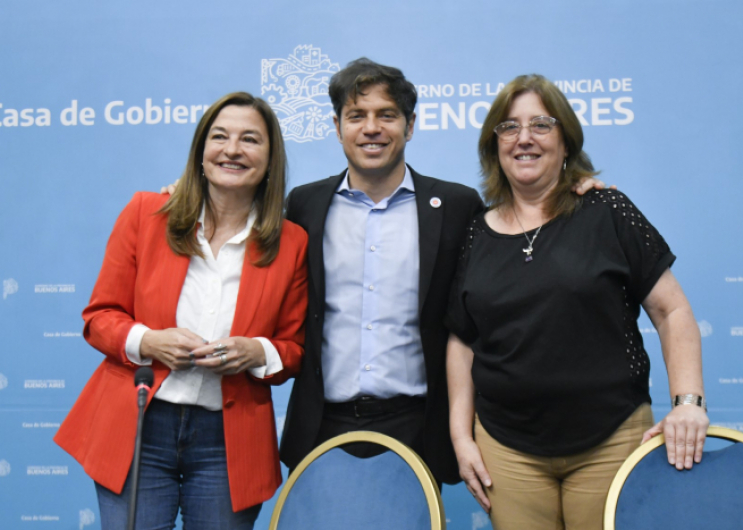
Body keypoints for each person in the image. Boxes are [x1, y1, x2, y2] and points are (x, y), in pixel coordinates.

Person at [277, 59, 607, 485]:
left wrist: (578, 192)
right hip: (322, 425)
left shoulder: (456, 207)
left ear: (410, 125)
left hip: (418, 425)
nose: (371, 128)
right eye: (357, 116)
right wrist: (193, 195)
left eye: (387, 115)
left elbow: (522, 233)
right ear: (337, 125)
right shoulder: (304, 206)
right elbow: (243, 232)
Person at [446, 74, 708, 529]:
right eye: (508, 127)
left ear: (566, 141)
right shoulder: (474, 232)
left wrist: (688, 402)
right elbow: (462, 341)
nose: (524, 138)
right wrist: (460, 435)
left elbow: (672, 311)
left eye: (541, 125)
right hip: (506, 452)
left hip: (612, 439)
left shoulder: (607, 211)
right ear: (494, 145)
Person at [54, 92, 308, 530]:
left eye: (250, 139)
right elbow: (99, 319)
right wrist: (149, 342)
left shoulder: (290, 242)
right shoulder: (145, 214)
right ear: (201, 151)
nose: (232, 149)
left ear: (270, 159)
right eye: (220, 136)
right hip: (139, 428)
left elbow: (294, 349)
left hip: (227, 444)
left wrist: (256, 351)